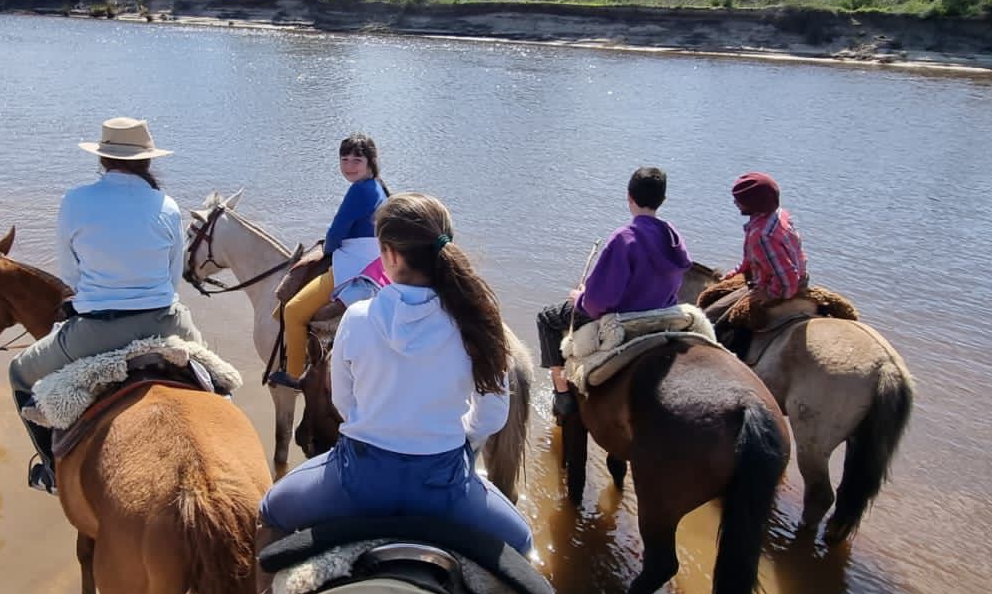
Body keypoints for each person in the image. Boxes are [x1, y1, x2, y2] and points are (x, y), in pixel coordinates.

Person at [259, 192, 533, 553]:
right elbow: (492, 416)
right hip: (445, 484)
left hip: (357, 480)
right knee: (523, 542)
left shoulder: (356, 319)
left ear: (387, 254)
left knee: (269, 513)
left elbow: (344, 403)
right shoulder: (478, 323)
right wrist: (451, 440)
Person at [8, 117, 201, 495]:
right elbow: (172, 277)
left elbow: (72, 275)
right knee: (219, 376)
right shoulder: (169, 205)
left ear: (102, 159)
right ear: (148, 160)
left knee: (18, 373)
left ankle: (49, 469)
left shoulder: (75, 200)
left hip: (96, 331)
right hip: (167, 323)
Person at [535, 167, 691, 424]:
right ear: (662, 200)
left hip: (625, 319)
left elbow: (598, 303)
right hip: (663, 314)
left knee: (547, 318)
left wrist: (581, 298)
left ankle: (561, 394)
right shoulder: (674, 236)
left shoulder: (624, 238)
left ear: (629, 196)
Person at [270, 133, 391, 390]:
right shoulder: (378, 186)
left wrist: (327, 250)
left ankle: (293, 375)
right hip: (375, 262)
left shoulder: (359, 190)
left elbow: (336, 232)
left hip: (353, 265)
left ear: (370, 161)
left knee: (292, 311)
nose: (349, 166)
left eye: (356, 160)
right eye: (344, 159)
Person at [718, 171, 808, 352]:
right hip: (799, 278)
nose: (735, 203)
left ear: (754, 203)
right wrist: (737, 272)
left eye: (740, 200)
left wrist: (767, 294)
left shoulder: (761, 236)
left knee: (719, 324)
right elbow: (754, 258)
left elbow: (787, 280)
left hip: (780, 288)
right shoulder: (778, 215)